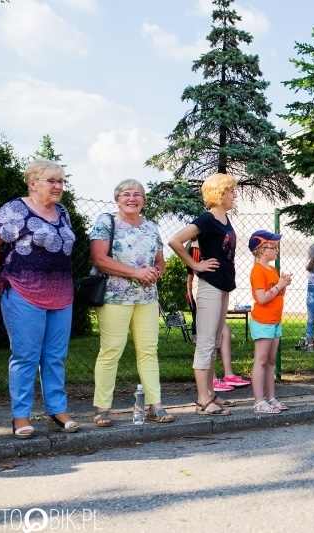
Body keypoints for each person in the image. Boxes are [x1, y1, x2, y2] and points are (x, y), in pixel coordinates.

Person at [0, 158, 79, 438]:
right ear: (33, 183)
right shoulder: (14, 209)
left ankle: (57, 411)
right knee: (25, 356)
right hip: (23, 292)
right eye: (52, 181)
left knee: (56, 356)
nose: (59, 186)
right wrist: (9, 269)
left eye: (61, 181)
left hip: (61, 294)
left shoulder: (63, 212)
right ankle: (20, 416)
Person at [89, 179, 173, 427]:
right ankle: (102, 409)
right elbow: (98, 259)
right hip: (114, 296)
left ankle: (155, 406)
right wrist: (136, 272)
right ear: (117, 199)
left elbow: (161, 263)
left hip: (147, 298)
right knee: (111, 350)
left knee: (148, 352)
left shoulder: (151, 227)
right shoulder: (107, 222)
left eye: (138, 194)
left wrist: (153, 271)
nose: (132, 198)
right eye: (126, 194)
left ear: (144, 200)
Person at [169, 173, 238, 416]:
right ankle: (202, 401)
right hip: (209, 286)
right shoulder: (207, 219)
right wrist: (196, 266)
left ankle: (211, 394)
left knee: (215, 342)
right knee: (206, 344)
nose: (234, 195)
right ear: (220, 193)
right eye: (231, 191)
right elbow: (175, 241)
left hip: (223, 287)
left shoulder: (224, 218)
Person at [186, 239, 249, 392]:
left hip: (216, 287)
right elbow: (191, 274)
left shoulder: (213, 245)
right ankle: (211, 381)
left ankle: (227, 375)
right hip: (202, 289)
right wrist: (191, 294)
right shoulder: (195, 247)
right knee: (207, 337)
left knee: (223, 334)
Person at [248, 230, 292, 413]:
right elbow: (261, 299)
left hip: (274, 321)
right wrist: (280, 286)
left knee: (270, 361)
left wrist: (283, 285)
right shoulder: (258, 271)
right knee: (261, 360)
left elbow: (277, 294)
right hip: (263, 321)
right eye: (273, 247)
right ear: (262, 250)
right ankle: (259, 401)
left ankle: (271, 398)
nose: (277, 250)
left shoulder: (272, 270)